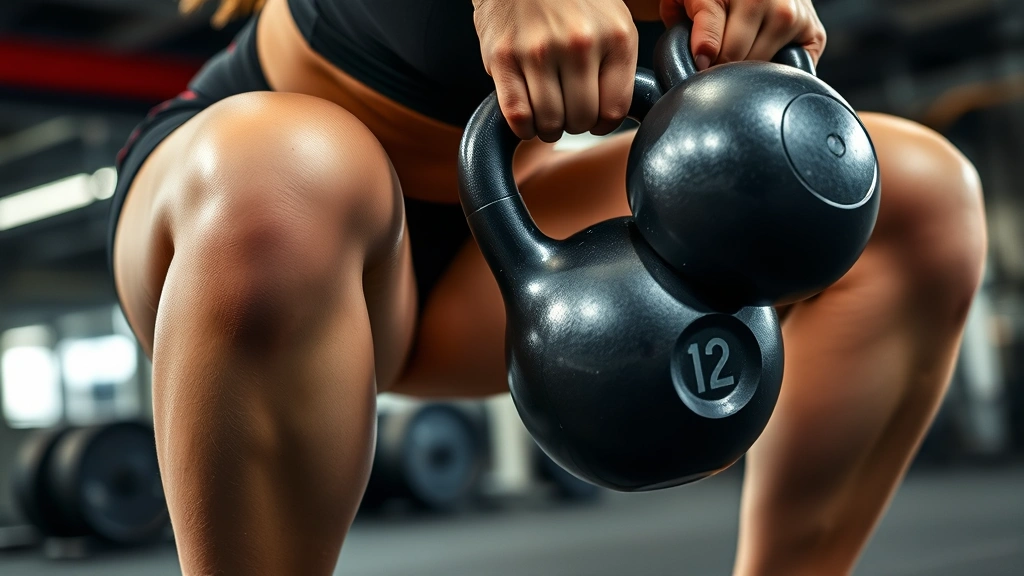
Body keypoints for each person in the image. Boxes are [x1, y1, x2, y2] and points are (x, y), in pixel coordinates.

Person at [108, 0, 987, 574]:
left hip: (497, 238)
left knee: (918, 194)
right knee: (285, 174)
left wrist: (760, 38)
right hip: (251, 213)